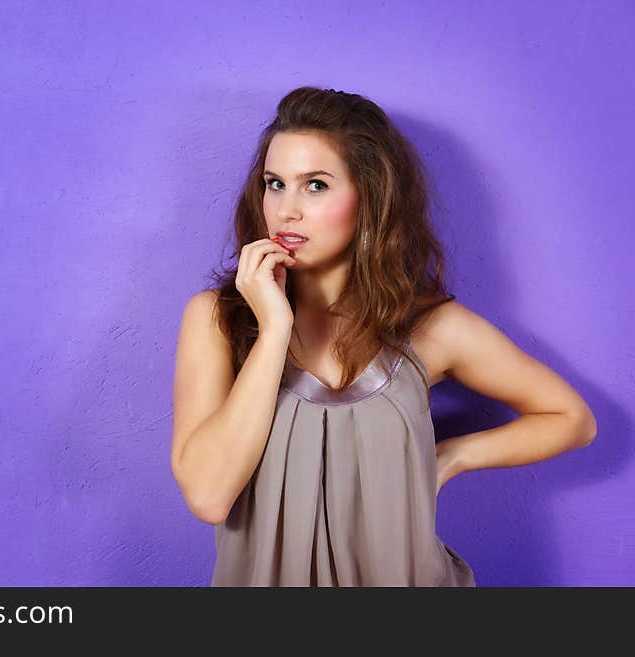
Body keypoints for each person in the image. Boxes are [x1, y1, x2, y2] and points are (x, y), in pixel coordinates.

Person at [170, 86, 598, 586]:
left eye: (315, 186)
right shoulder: (216, 319)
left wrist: (451, 457)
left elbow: (573, 420)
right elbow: (208, 495)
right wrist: (273, 332)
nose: (286, 209)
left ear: (368, 197)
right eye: (275, 183)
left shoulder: (433, 330)